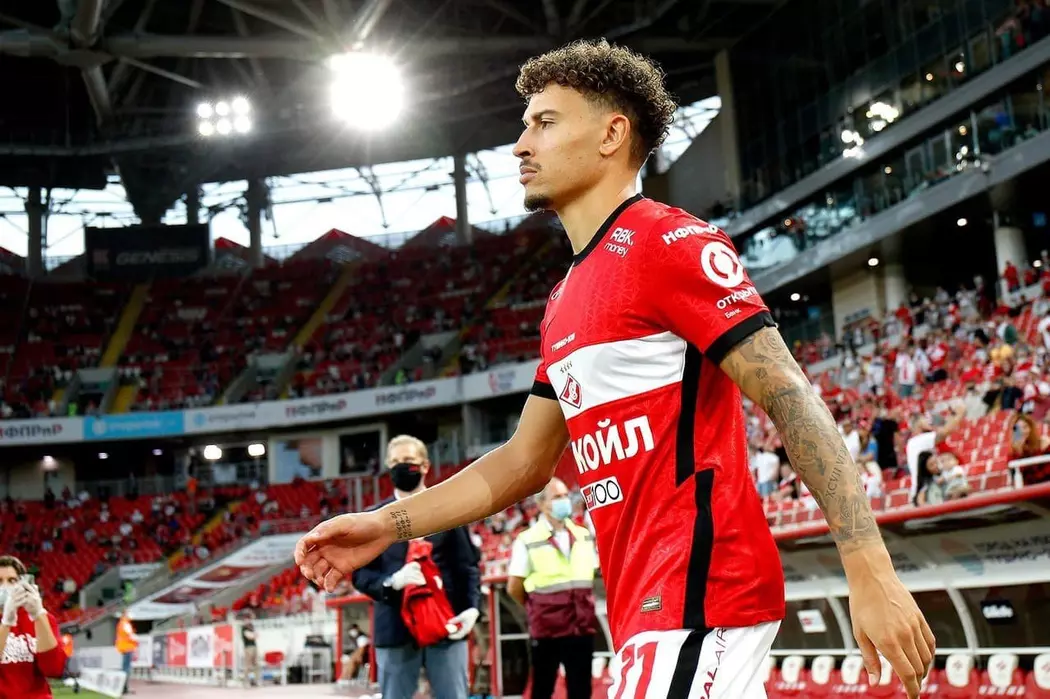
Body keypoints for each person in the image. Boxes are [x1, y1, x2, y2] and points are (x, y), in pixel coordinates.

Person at [296, 39, 935, 699]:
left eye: (544, 122)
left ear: (612, 134)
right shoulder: (563, 300)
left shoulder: (667, 241)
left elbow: (789, 395)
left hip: (701, 598)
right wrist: (384, 524)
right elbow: (522, 462)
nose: (520, 145)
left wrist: (868, 564)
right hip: (645, 613)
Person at [348, 435, 480, 699]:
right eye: (395, 461)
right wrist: (391, 582)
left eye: (408, 460)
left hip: (446, 623)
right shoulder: (374, 519)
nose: (401, 466)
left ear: (425, 465)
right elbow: (360, 575)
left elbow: (467, 566)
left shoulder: (449, 511)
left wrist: (472, 608)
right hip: (394, 627)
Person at [507, 478, 597, 699]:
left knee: (581, 691)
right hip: (547, 629)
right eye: (557, 497)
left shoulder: (584, 536)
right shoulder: (527, 540)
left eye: (565, 495)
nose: (564, 500)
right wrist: (537, 608)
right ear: (541, 504)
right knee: (542, 689)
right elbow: (514, 586)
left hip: (581, 626)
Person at [0, 555, 65, 698]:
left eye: (12, 580)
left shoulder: (44, 619)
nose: (4, 587)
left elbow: (54, 669)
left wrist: (38, 615)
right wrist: (6, 623)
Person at [115, 608, 138, 695]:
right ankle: (124, 688)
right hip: (127, 647)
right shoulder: (125, 623)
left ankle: (123, 687)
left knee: (125, 667)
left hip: (124, 647)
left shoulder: (122, 623)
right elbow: (130, 635)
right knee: (126, 668)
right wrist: (136, 639)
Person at [242, 611, 258, 687]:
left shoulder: (252, 627)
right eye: (247, 619)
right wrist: (253, 635)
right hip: (248, 647)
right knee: (248, 665)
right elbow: (250, 636)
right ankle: (246, 681)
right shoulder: (244, 628)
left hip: (254, 646)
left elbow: (256, 635)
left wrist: (253, 635)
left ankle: (254, 680)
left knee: (255, 664)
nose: (248, 621)